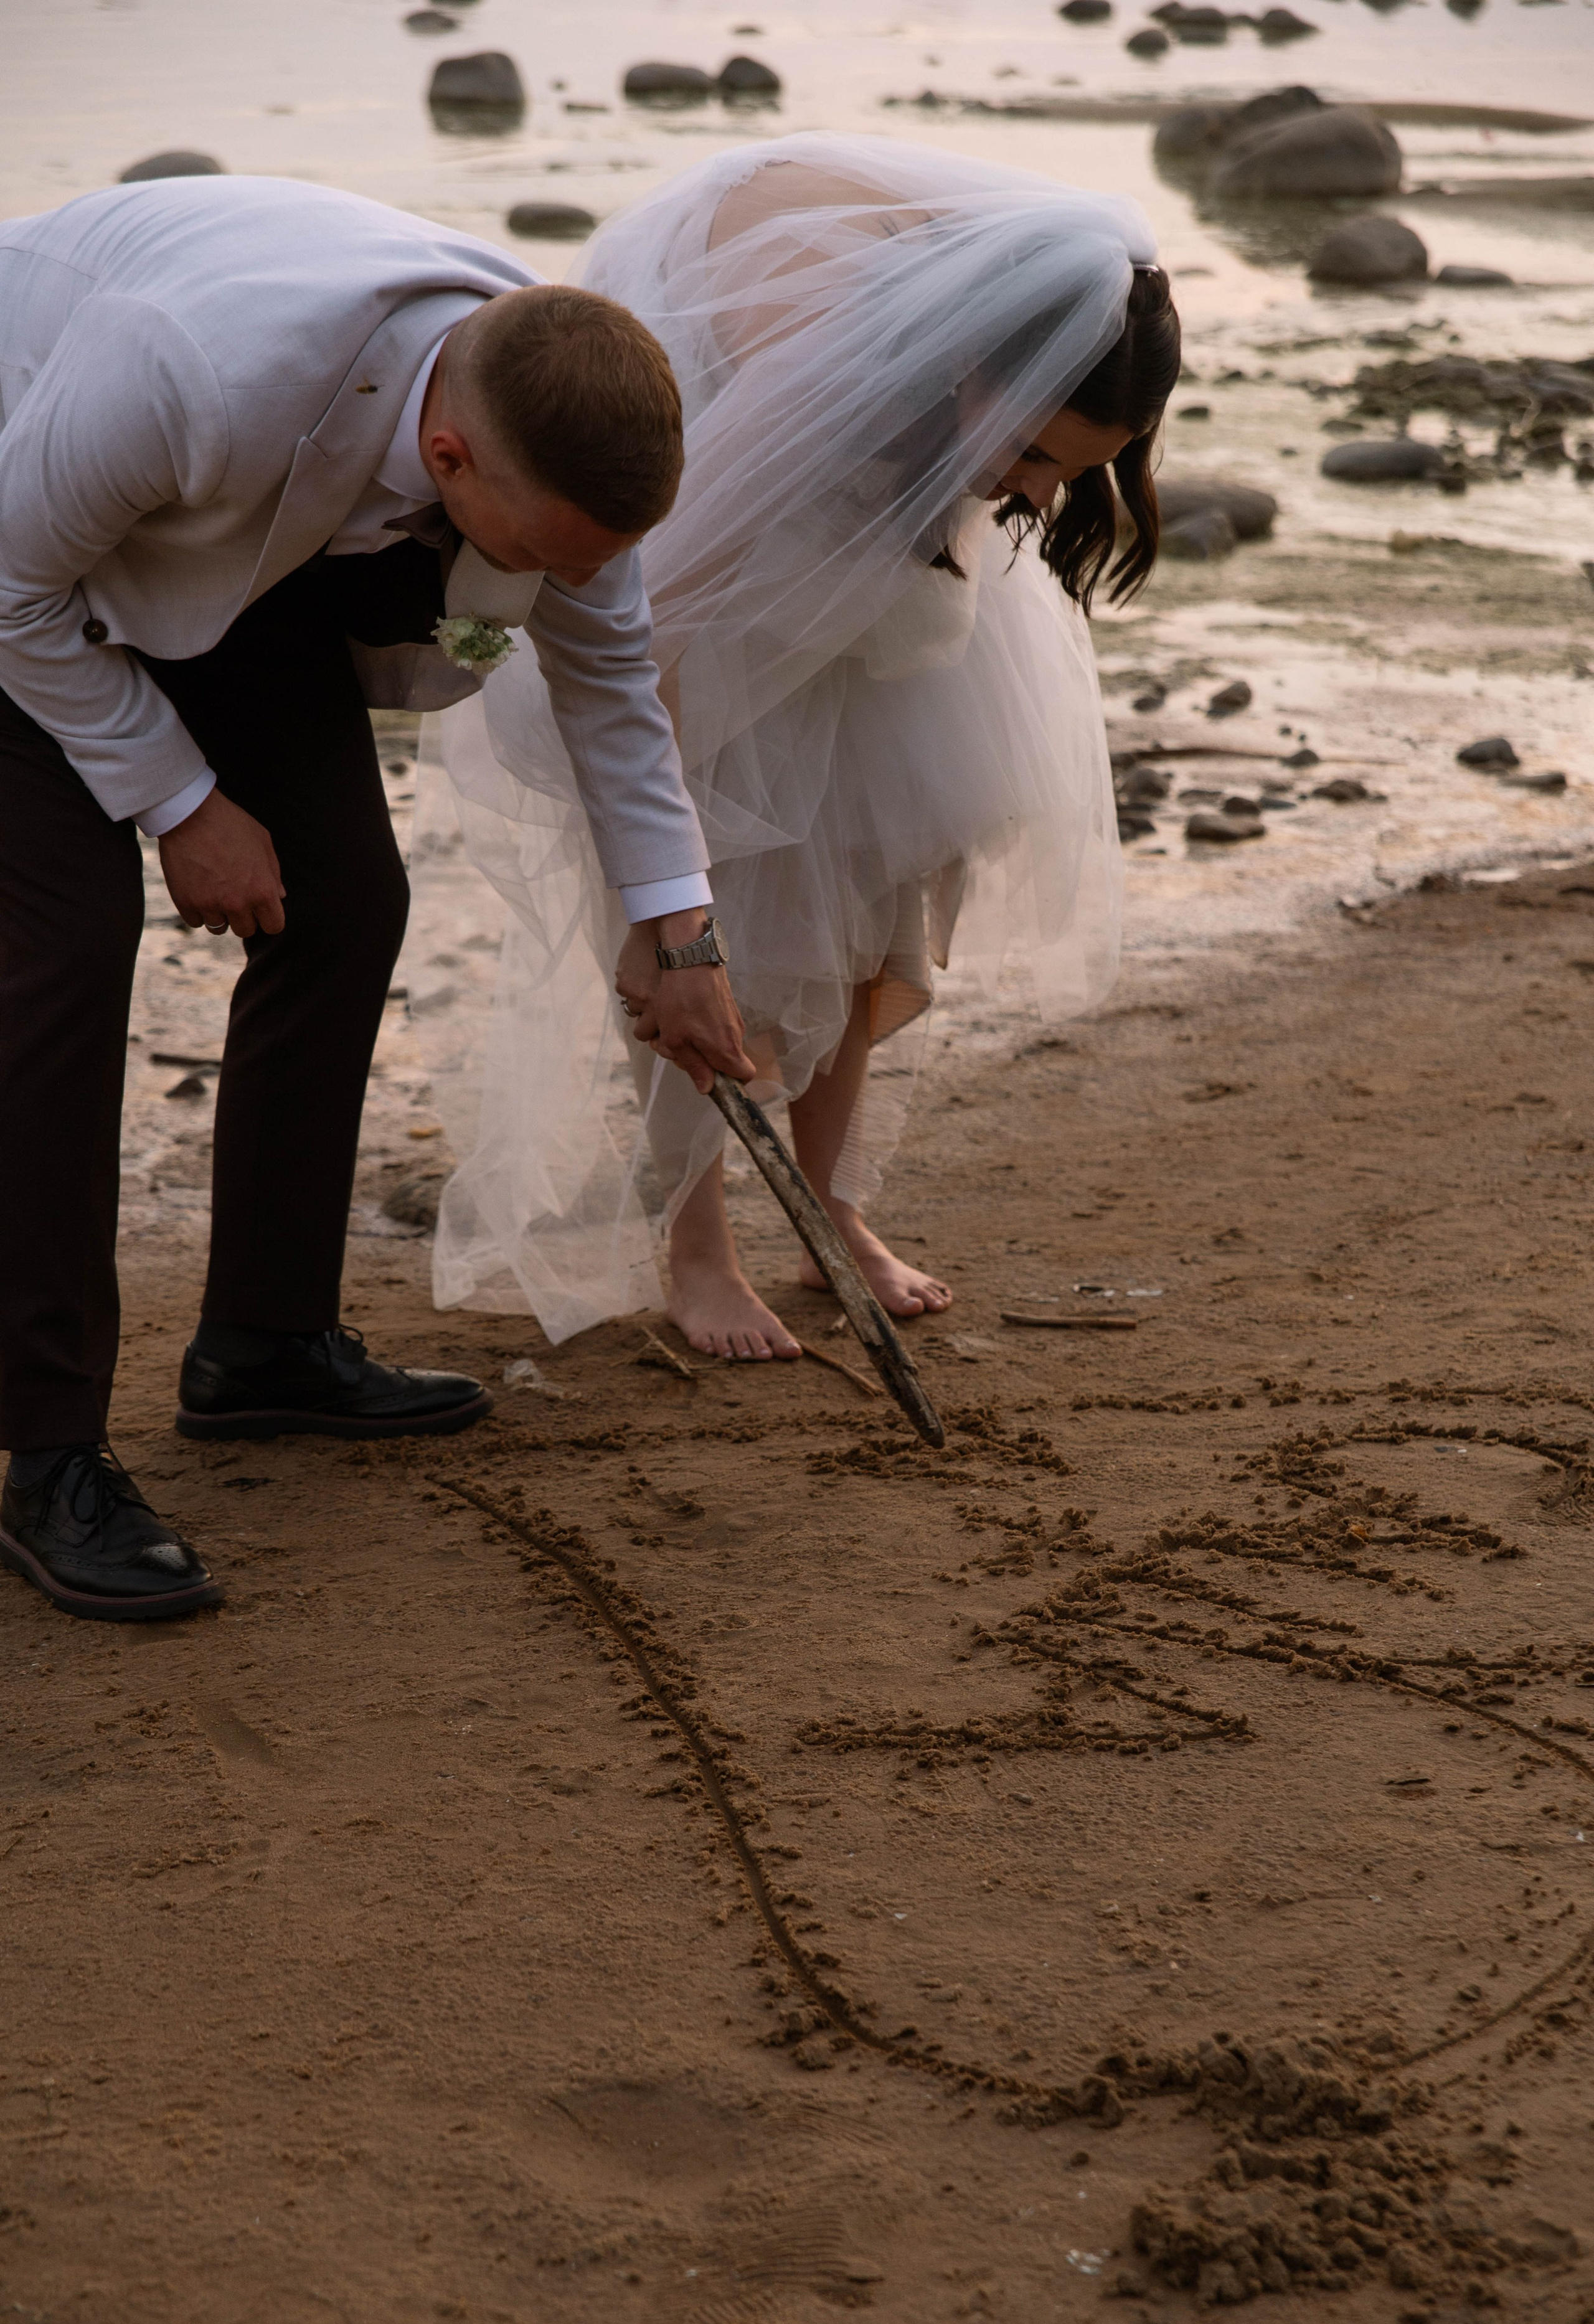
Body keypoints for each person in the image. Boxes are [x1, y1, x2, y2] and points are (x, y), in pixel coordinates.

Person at [0, 174, 750, 1625]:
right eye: (545, 557)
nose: (570, 586)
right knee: (67, 952)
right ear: (450, 453)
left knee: (346, 899)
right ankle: (45, 1451)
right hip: (16, 553)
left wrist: (681, 937)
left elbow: (611, 691)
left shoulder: (556, 425)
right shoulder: (192, 372)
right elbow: (11, 589)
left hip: (236, 547)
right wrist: (181, 801)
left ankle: (262, 1349)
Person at [427, 135, 1180, 1360]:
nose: (1033, 498)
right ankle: (696, 1250)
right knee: (734, 919)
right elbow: (643, 645)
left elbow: (991, 483)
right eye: (1032, 457)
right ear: (971, 365)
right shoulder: (812, 377)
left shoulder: (1066, 319)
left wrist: (993, 477)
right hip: (712, 616)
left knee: (874, 886)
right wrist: (653, 910)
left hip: (871, 571)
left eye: (1067, 470)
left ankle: (831, 1213)